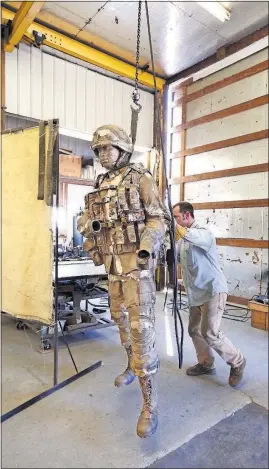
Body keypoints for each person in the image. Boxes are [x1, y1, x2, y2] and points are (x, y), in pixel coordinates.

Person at [77, 125, 170, 438]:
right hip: (113, 269)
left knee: (141, 333)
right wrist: (87, 225)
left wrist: (147, 245)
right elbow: (85, 216)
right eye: (100, 149)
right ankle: (132, 365)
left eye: (108, 148)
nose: (104, 154)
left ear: (123, 149)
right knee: (118, 320)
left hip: (137, 270)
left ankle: (151, 406)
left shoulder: (140, 177)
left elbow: (159, 217)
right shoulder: (101, 183)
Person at [173, 201, 246, 387]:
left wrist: (170, 224)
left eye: (176, 217)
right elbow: (175, 254)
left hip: (213, 290)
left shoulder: (203, 234)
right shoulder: (182, 240)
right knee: (194, 330)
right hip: (196, 292)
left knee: (210, 333)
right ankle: (206, 363)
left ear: (187, 216)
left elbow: (190, 236)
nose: (174, 221)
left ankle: (237, 361)